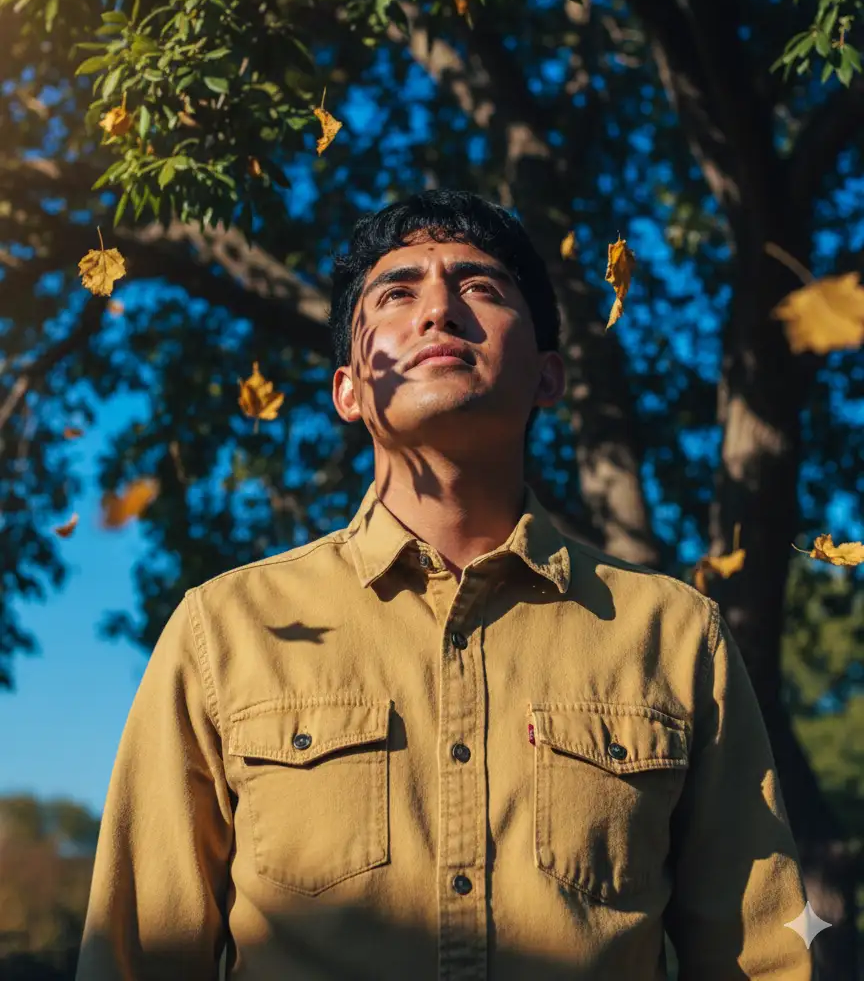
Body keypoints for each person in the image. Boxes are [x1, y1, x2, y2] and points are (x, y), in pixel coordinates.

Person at [76, 190, 813, 980]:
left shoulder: (674, 633)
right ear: (349, 391)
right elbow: (136, 956)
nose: (438, 311)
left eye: (481, 288)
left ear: (547, 377)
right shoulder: (221, 631)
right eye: (396, 294)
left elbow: (763, 955)